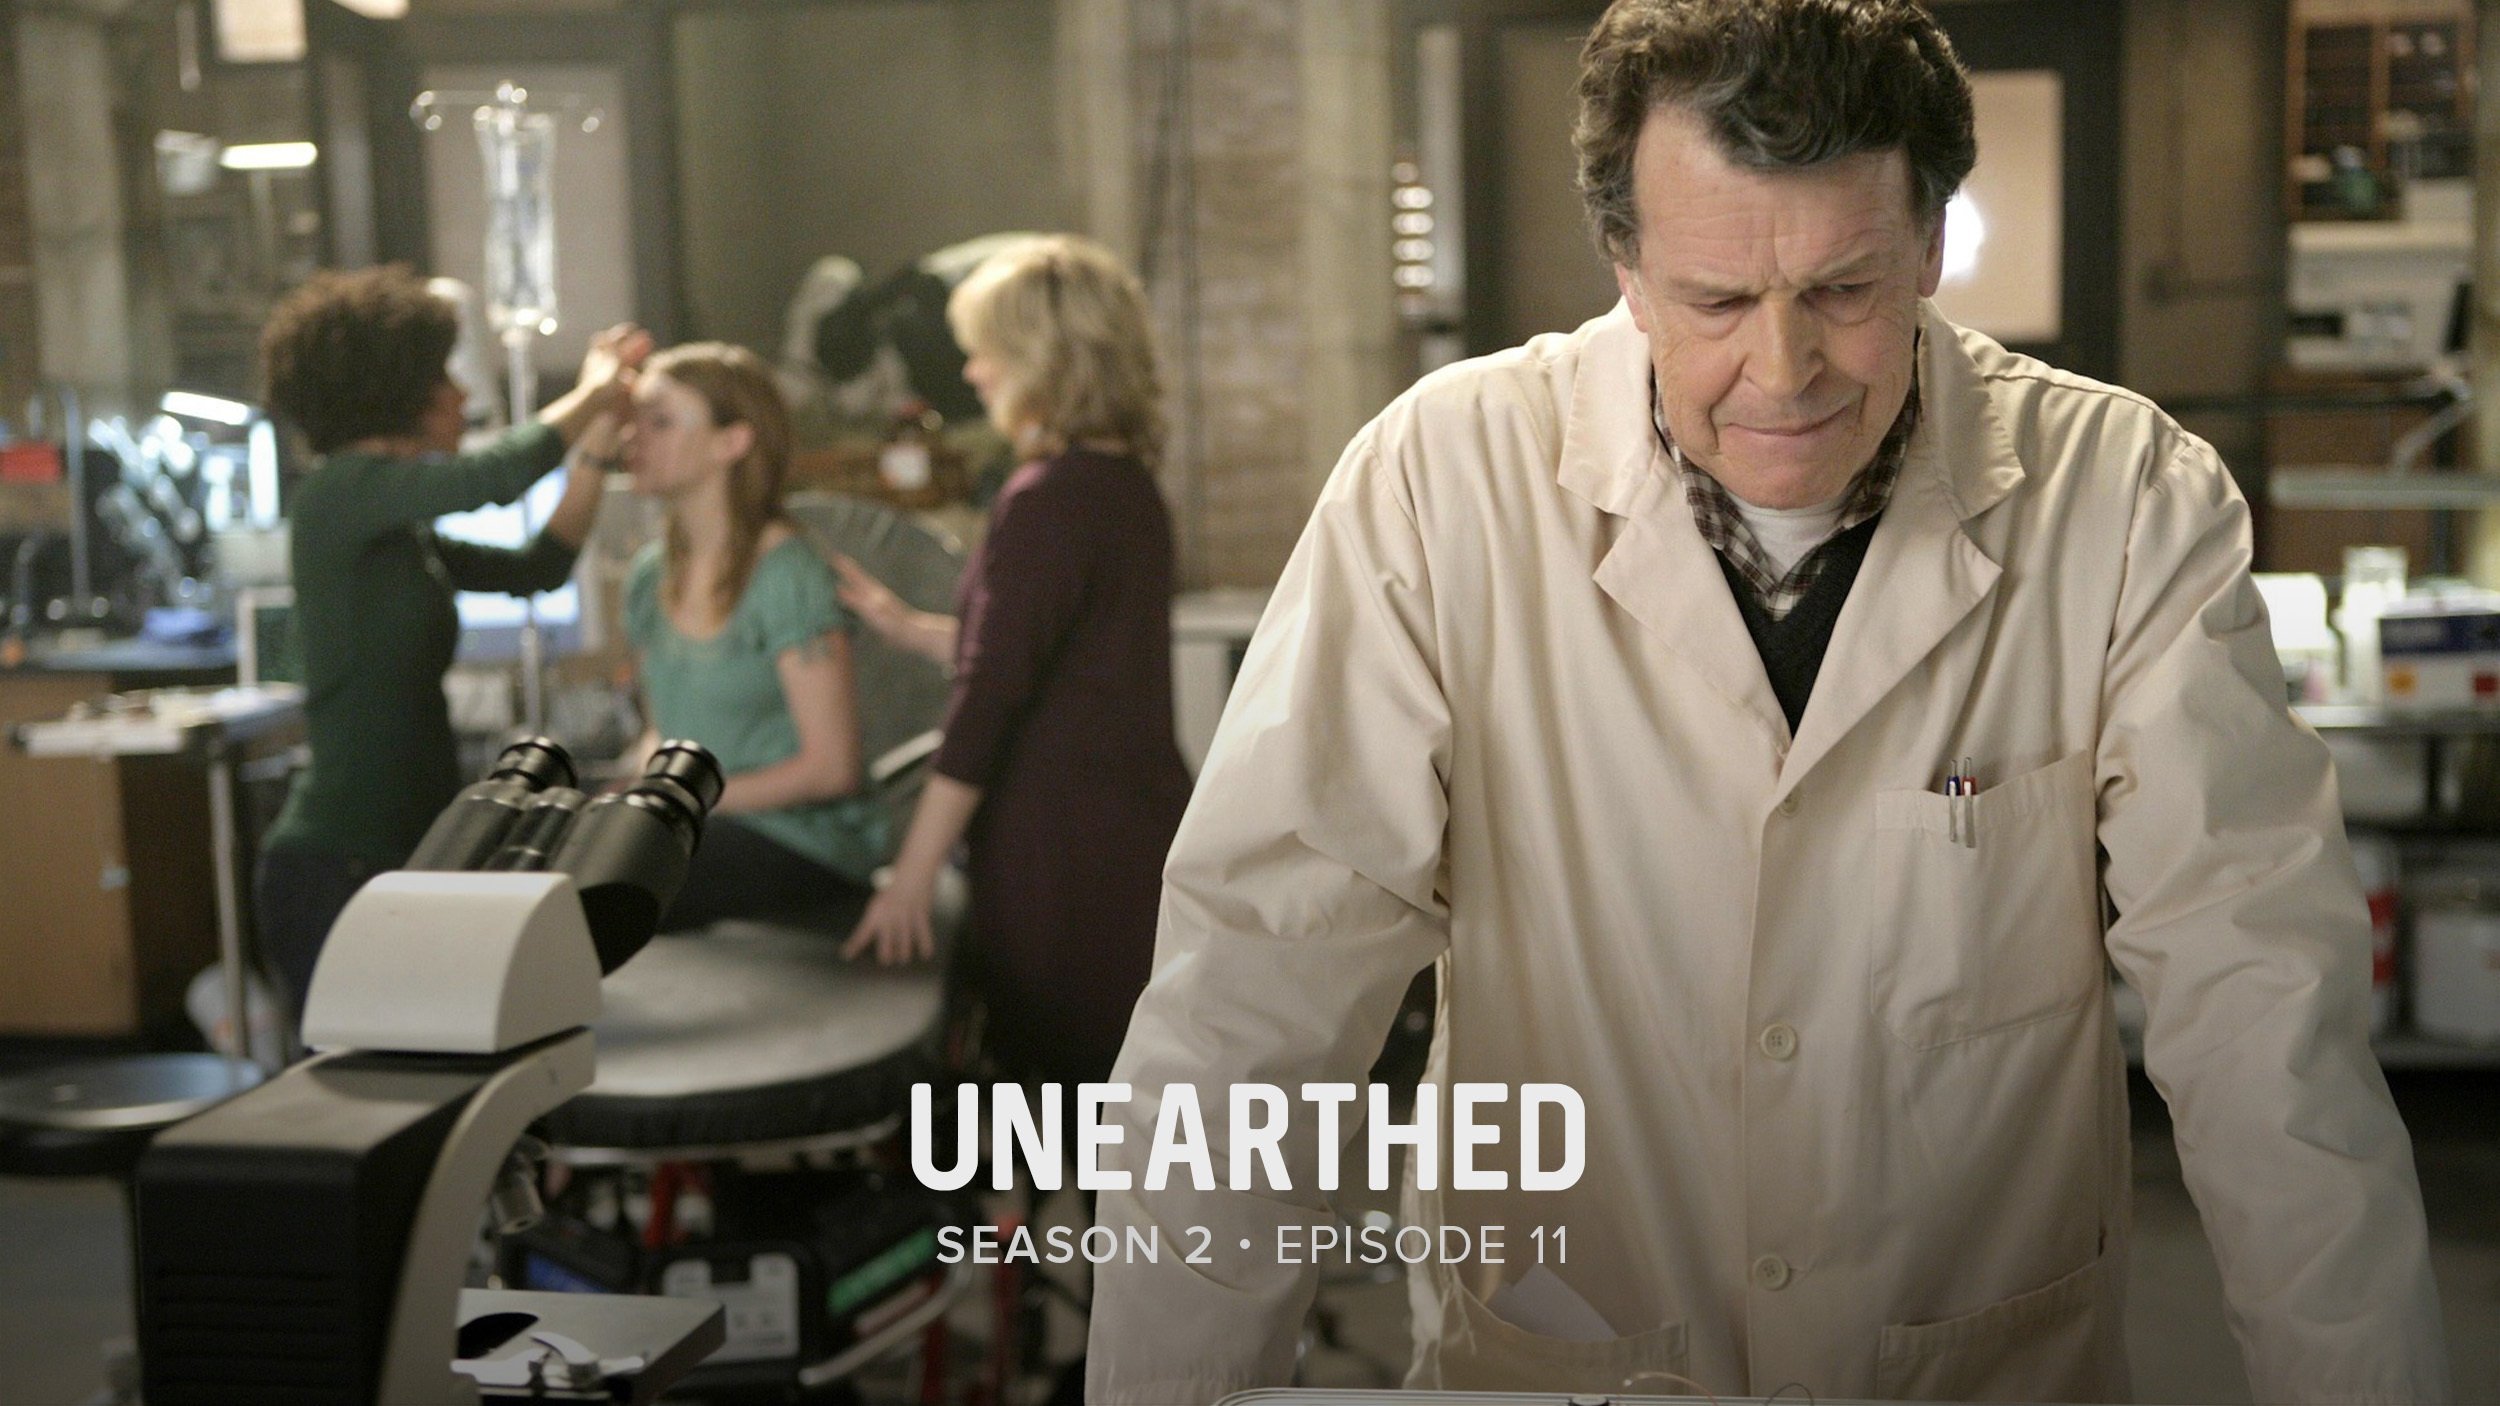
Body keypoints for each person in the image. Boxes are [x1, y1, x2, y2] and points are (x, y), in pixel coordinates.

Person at [1085, 2, 2449, 1402]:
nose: (1785, 371)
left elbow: (2265, 1025)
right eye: (1718, 302)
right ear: (1624, 265)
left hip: (1978, 1368)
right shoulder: (1439, 487)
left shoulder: (2125, 501)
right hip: (1568, 1354)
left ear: (1931, 245)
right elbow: (1254, 1003)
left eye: (1846, 291)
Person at [837, 235, 1193, 1101]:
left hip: (1065, 850)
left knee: (1070, 1098)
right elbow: (1055, 654)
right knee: (1118, 1106)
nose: (971, 370)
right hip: (1128, 825)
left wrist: (913, 875)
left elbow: (988, 699)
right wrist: (909, 627)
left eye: (986, 348)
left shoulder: (1048, 499)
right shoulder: (1124, 484)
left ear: (1042, 359)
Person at [253, 265, 645, 1017]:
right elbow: (495, 478)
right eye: (444, 378)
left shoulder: (398, 533)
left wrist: (595, 453)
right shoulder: (337, 493)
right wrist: (594, 391)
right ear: (397, 392)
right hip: (338, 864)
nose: (464, 396)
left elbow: (537, 567)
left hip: (406, 856)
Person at [619, 342, 886, 929]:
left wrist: (672, 800)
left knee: (612, 879)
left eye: (660, 421)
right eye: (633, 419)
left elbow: (832, 767)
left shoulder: (788, 573)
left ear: (732, 442)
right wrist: (638, 793)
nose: (632, 437)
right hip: (703, 821)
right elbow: (662, 729)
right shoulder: (648, 576)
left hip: (802, 842)